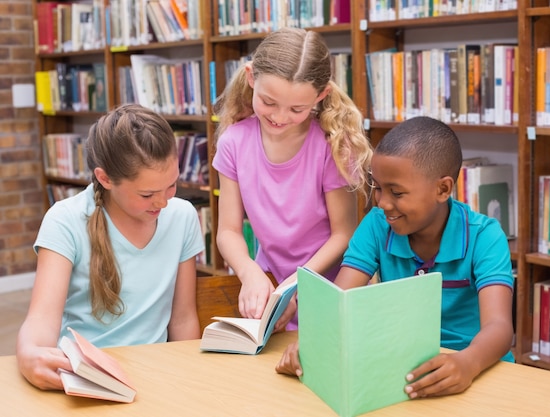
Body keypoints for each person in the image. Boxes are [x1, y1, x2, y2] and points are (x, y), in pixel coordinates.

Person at [276, 116, 515, 398]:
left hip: (477, 370)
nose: (383, 203)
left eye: (397, 192)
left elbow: (499, 328)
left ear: (443, 189)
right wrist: (311, 344)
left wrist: (468, 363)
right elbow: (340, 302)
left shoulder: (485, 237)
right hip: (402, 373)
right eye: (377, 187)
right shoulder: (377, 226)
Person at [17, 104, 205, 390]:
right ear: (105, 178)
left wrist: (192, 380)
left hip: (158, 376)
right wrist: (30, 355)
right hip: (87, 378)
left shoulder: (183, 217)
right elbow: (41, 320)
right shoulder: (65, 220)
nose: (163, 202)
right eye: (147, 194)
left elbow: (182, 318)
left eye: (171, 185)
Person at [212, 27, 372, 330]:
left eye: (297, 109)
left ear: (321, 95)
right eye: (269, 102)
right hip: (268, 290)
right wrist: (248, 272)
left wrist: (296, 282)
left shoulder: (332, 144)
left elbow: (344, 234)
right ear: (251, 77)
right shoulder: (234, 142)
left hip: (329, 291)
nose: (280, 117)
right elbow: (228, 231)